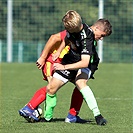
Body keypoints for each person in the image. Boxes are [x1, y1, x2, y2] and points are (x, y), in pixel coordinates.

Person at [19, 10, 112, 125]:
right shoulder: (72, 29)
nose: (101, 39)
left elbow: (84, 62)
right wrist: (58, 51)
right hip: (70, 60)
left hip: (86, 64)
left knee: (80, 83)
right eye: (102, 36)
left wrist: (63, 66)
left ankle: (96, 115)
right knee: (51, 88)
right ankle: (47, 118)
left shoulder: (87, 38)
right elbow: (66, 38)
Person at [36, 30, 84, 122]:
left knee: (81, 85)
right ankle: (31, 109)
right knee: (51, 88)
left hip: (64, 63)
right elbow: (53, 38)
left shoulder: (82, 34)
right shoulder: (72, 31)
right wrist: (42, 57)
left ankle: (72, 115)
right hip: (52, 62)